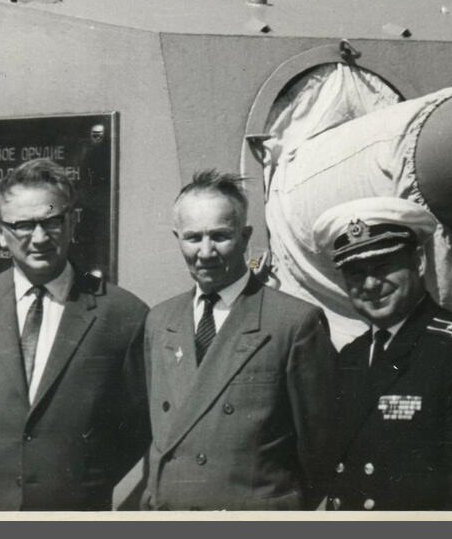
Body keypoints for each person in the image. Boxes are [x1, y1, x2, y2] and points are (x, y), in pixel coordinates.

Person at [0, 158, 149, 510]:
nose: (40, 238)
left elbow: (137, 425)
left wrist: (83, 475)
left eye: (52, 221)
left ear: (72, 223)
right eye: (23, 225)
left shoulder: (124, 314)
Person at [141, 169, 337, 510]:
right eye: (193, 238)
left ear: (245, 237)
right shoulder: (160, 321)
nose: (206, 252)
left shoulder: (293, 322)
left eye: (220, 236)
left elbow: (320, 449)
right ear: (177, 238)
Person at [311, 197, 452, 511]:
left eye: (383, 266)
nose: (370, 284)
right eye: (355, 273)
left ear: (419, 262)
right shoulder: (352, 357)